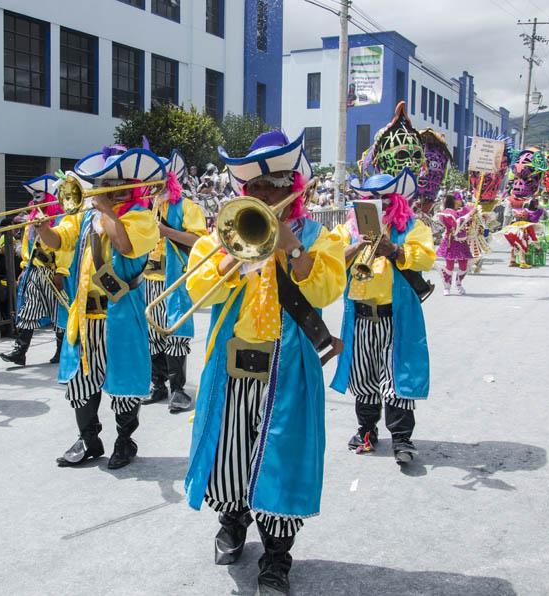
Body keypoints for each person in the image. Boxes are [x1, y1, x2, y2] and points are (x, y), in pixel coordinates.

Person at [184, 131, 346, 596]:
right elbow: (200, 294)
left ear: (294, 187)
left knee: (280, 461)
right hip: (233, 367)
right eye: (253, 187)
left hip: (288, 366)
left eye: (273, 184)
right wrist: (230, 259)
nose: (263, 194)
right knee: (229, 455)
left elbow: (325, 291)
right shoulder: (226, 233)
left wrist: (292, 247)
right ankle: (232, 523)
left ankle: (276, 557)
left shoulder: (319, 235)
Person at [35, 143, 161, 470]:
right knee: (81, 379)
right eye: (102, 182)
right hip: (86, 316)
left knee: (123, 381)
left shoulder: (141, 216)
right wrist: (43, 229)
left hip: (119, 312)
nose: (104, 188)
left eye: (111, 183)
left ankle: (124, 440)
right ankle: (89, 439)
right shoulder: (87, 216)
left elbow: (126, 245)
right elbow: (60, 241)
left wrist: (106, 210)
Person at [332, 102, 435, 465]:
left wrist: (394, 248)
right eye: (367, 199)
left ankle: (403, 439)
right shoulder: (349, 229)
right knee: (363, 378)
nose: (372, 204)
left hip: (395, 316)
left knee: (397, 379)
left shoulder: (412, 227)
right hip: (360, 317)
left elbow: (425, 257)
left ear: (394, 201)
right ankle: (366, 430)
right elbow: (330, 257)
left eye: (380, 199)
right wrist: (355, 245)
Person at [143, 150, 207, 412]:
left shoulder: (188, 207)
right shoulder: (144, 207)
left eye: (158, 180)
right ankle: (157, 385)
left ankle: (178, 390)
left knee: (176, 334)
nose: (153, 186)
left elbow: (200, 242)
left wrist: (167, 231)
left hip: (175, 280)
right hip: (148, 279)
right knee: (153, 335)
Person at [0, 174, 70, 367]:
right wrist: (24, 266)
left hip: (52, 270)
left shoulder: (60, 218)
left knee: (59, 312)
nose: (35, 200)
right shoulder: (32, 219)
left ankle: (61, 350)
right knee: (28, 309)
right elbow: (26, 244)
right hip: (35, 270)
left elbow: (66, 247)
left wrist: (61, 271)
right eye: (34, 196)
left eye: (40, 196)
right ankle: (19, 351)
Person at [437, 192, 475, 295]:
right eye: (459, 199)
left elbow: (469, 221)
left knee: (464, 266)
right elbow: (456, 223)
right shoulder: (447, 212)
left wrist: (475, 215)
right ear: (454, 200)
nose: (461, 201)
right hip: (450, 241)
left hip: (462, 241)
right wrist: (467, 216)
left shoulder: (463, 210)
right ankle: (447, 287)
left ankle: (458, 283)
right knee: (449, 266)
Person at [503, 198, 546, 269]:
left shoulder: (515, 223)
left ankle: (512, 261)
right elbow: (533, 238)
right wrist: (539, 247)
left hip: (509, 235)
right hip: (517, 236)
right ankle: (523, 263)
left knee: (515, 246)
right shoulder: (527, 225)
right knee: (523, 247)